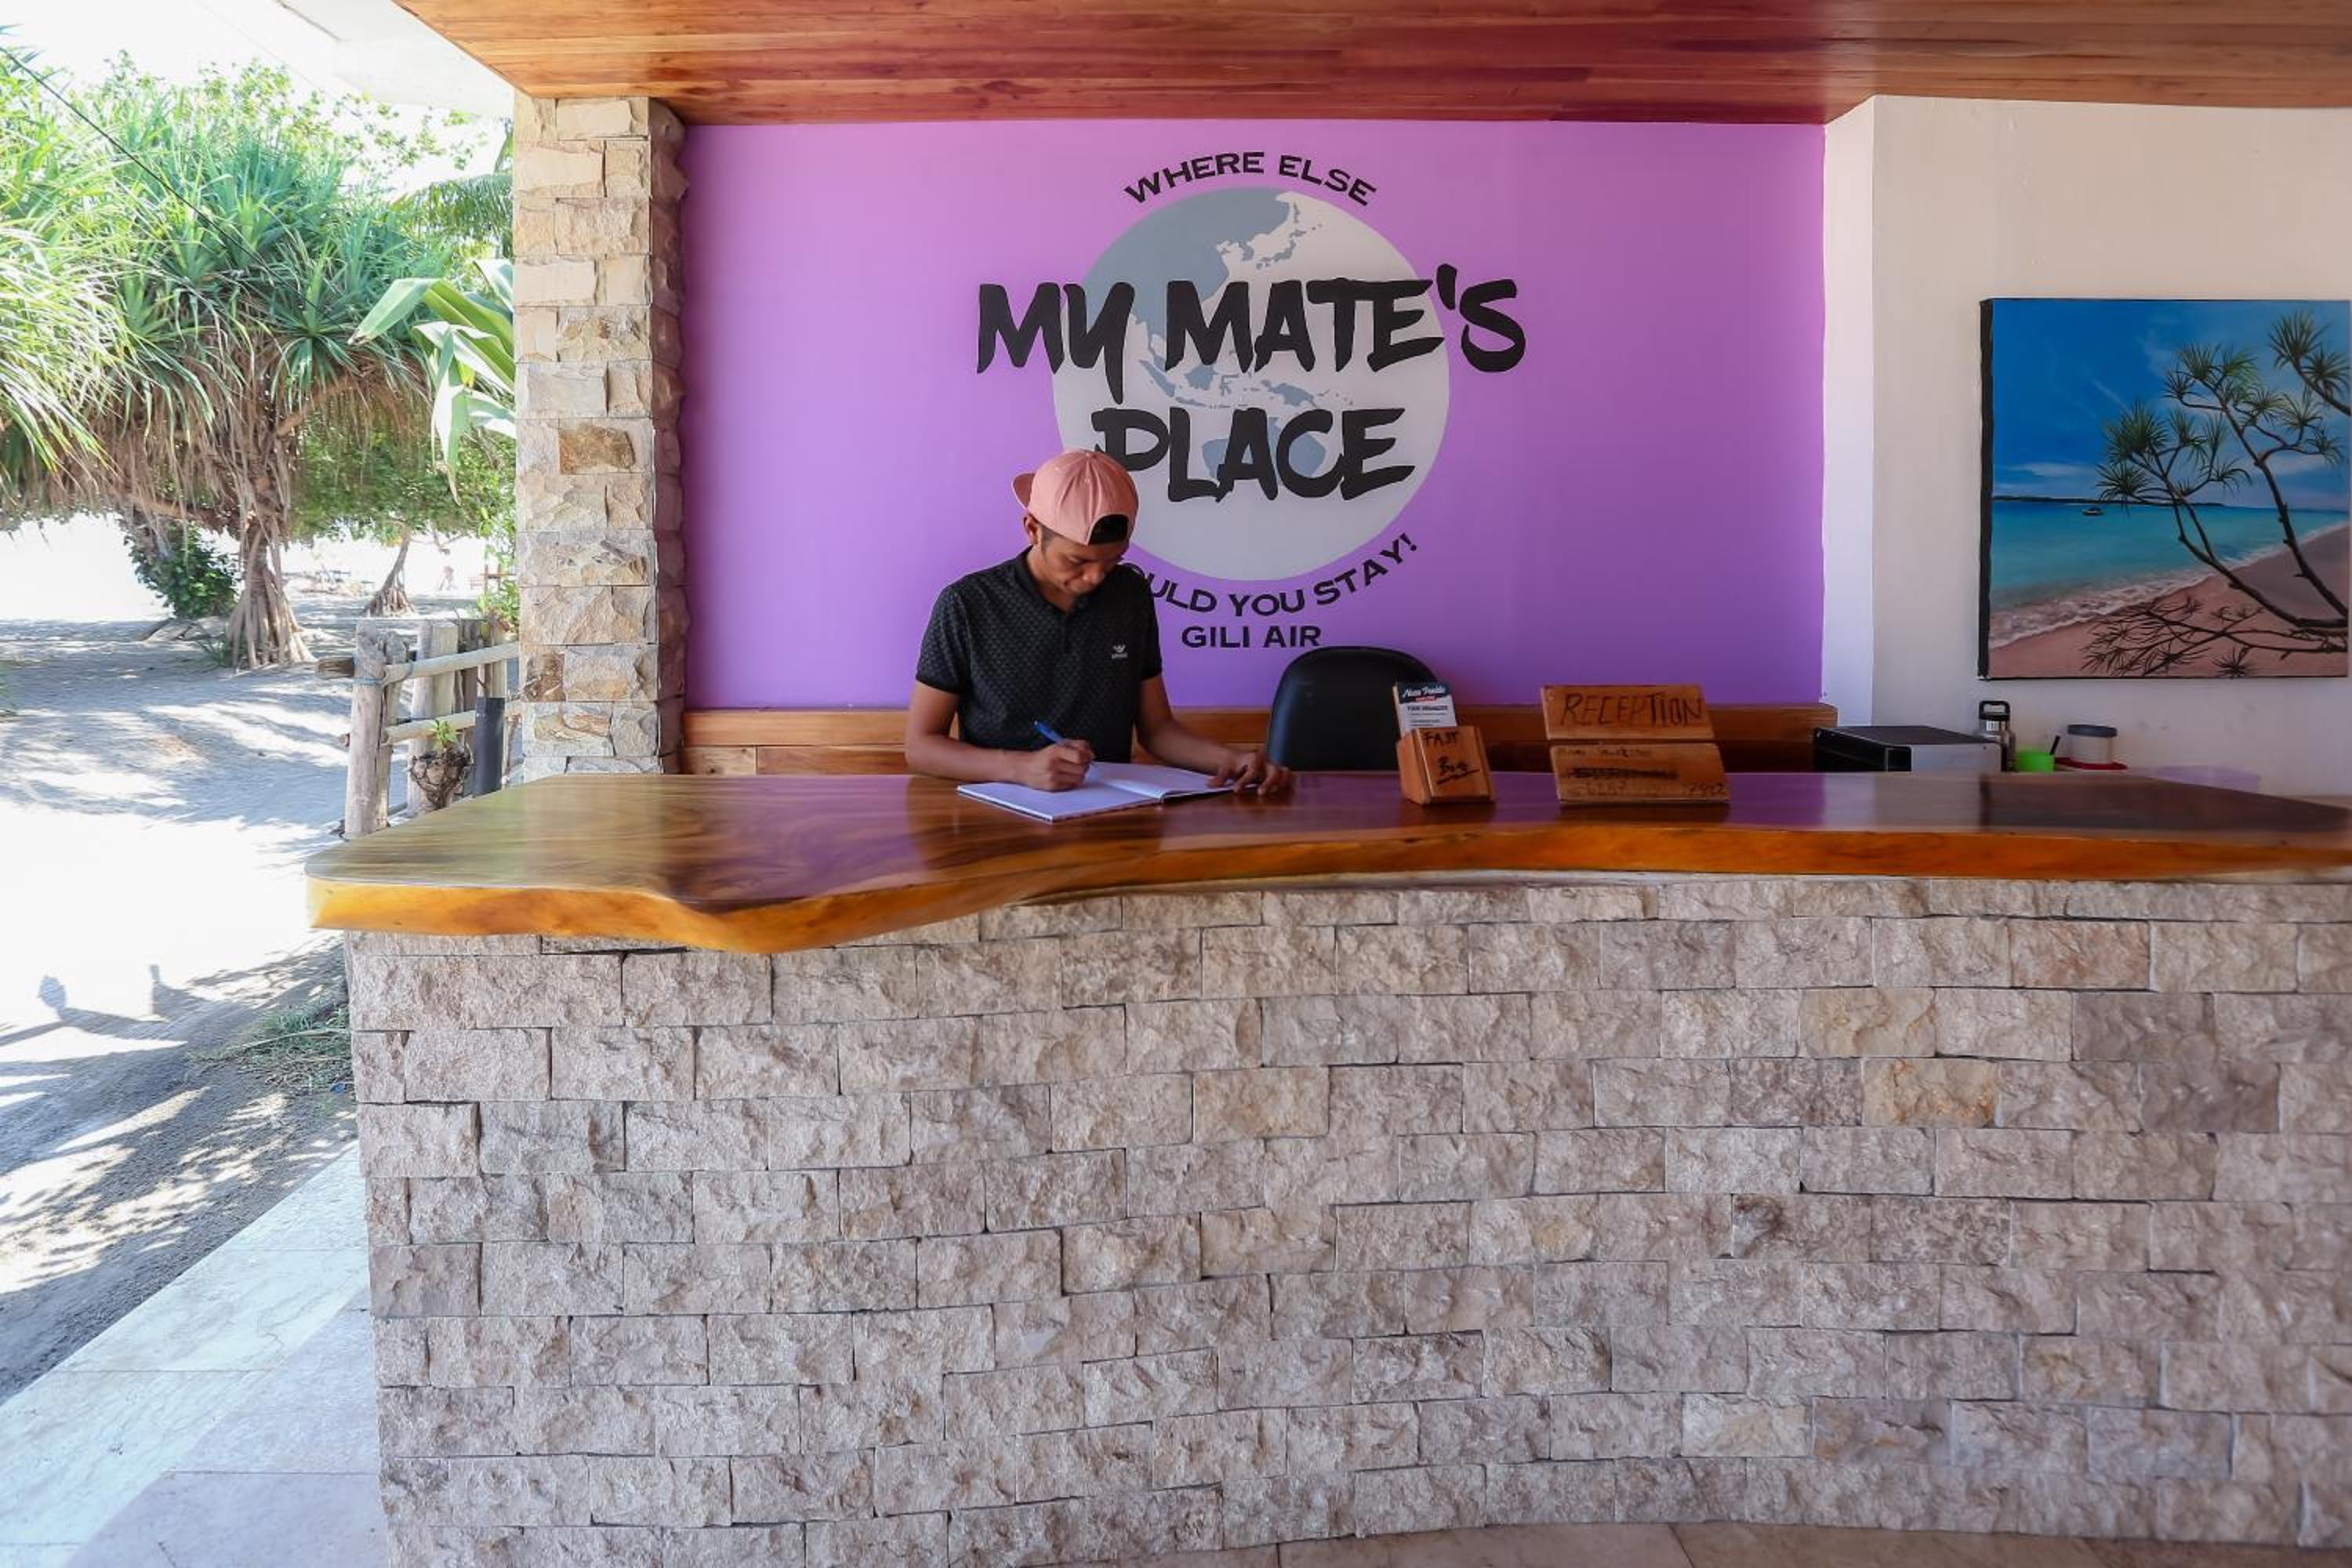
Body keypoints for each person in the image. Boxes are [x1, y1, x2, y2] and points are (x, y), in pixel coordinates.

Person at [906, 448, 1293, 795]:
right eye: (1077, 561)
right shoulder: (967, 604)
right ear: (1032, 529)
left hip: (1110, 809)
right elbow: (921, 747)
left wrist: (1231, 759)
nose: (1095, 578)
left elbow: (1158, 730)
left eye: (1112, 561)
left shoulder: (1130, 595)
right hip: (997, 815)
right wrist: (1020, 768)